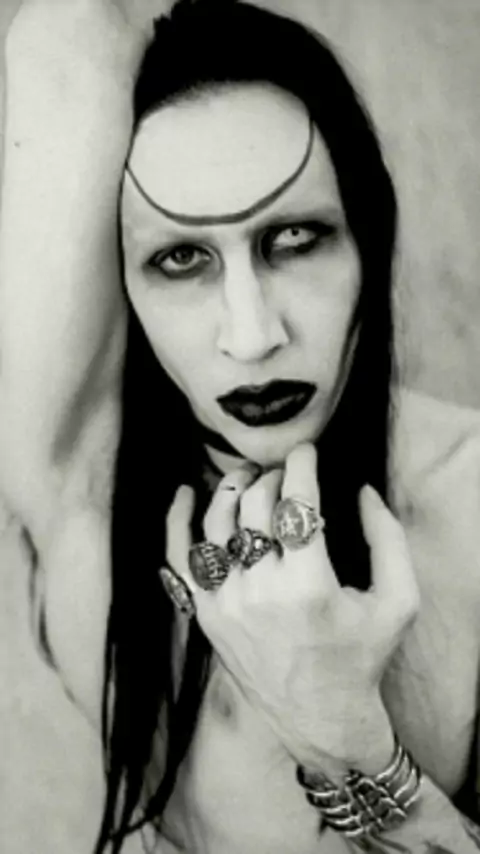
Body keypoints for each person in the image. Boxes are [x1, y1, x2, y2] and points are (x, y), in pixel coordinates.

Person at [1, 1, 480, 852]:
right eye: (180, 258)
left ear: (368, 237)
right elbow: (66, 35)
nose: (253, 335)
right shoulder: (81, 486)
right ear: (121, 285)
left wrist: (340, 735)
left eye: (295, 237)